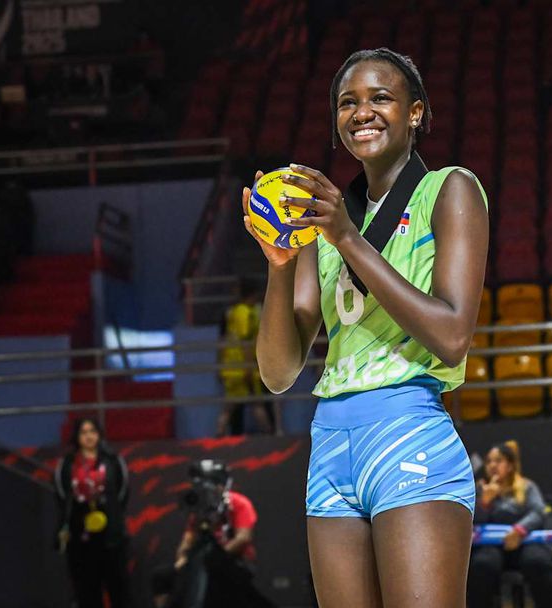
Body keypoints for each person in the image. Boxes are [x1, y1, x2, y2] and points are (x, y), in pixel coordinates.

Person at [242, 48, 488, 606]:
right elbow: (278, 373)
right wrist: (280, 264)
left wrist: (347, 237)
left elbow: (452, 336)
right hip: (330, 443)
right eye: (347, 102)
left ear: (415, 112)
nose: (362, 112)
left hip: (408, 427)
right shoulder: (324, 219)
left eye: (381, 98)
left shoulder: (449, 189)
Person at [152, 460, 268, 608]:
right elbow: (188, 540)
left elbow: (243, 537)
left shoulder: (239, 503)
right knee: (162, 576)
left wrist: (218, 556)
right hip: (202, 562)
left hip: (235, 562)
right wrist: (182, 560)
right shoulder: (198, 509)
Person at [468, 441, 552, 608]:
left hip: (524, 541)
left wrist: (519, 530)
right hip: (491, 546)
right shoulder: (480, 489)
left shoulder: (526, 487)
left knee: (537, 562)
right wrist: (485, 502)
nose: (492, 465)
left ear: (509, 466)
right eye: (489, 461)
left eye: (498, 460)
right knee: (481, 565)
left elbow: (538, 512)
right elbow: (473, 521)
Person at [54, 418, 131, 608]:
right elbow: (62, 495)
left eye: (92, 431)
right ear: (76, 436)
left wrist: (111, 514)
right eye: (83, 432)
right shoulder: (67, 463)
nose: (89, 436)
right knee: (86, 591)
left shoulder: (113, 460)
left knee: (119, 589)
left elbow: (122, 492)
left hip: (111, 535)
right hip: (80, 535)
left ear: (99, 434)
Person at [218, 279, 273, 436]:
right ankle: (270, 435)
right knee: (256, 403)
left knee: (231, 406)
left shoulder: (233, 312)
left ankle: (219, 432)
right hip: (242, 369)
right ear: (252, 294)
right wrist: (249, 367)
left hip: (232, 368)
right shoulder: (245, 313)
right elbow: (246, 343)